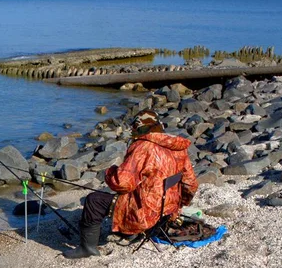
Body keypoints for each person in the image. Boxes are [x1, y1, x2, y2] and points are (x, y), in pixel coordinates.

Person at [63, 109, 199, 259]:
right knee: (129, 195)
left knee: (93, 200)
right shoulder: (178, 148)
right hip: (167, 212)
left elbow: (122, 183)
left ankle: (87, 248)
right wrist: (177, 206)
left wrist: (110, 172)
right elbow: (191, 184)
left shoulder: (143, 147)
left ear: (139, 127)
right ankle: (128, 231)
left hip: (147, 214)